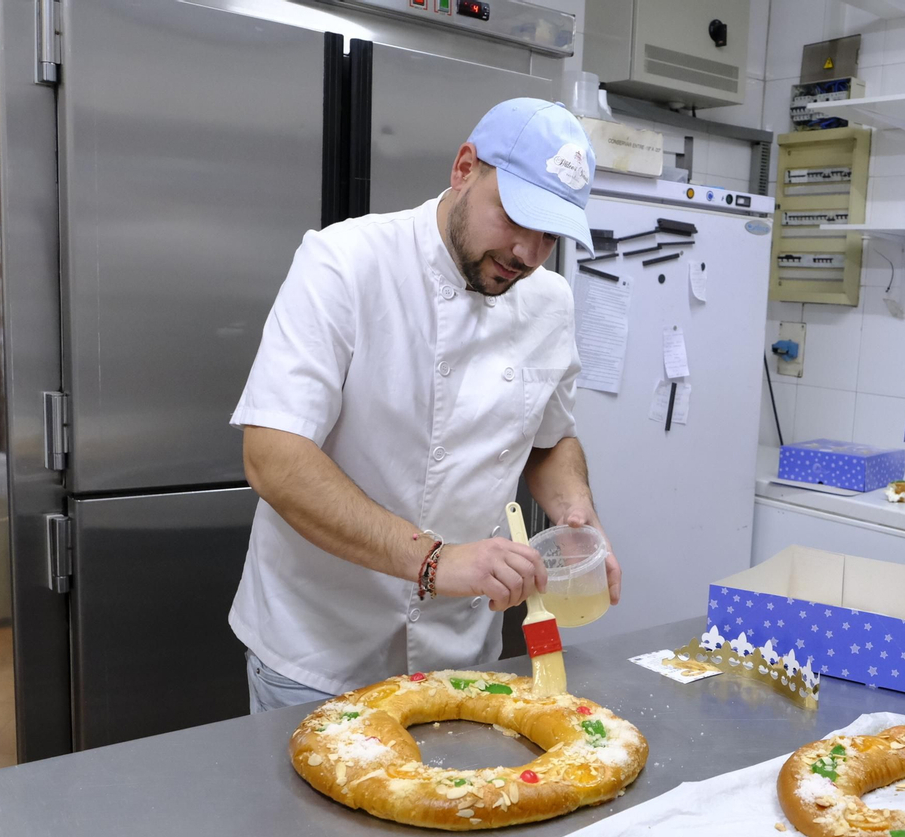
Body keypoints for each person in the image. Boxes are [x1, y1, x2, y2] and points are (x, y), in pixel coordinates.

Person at [229, 98, 620, 713]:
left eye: (550, 234)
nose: (527, 252)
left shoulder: (551, 302)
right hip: (318, 654)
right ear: (465, 168)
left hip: (461, 657)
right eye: (515, 217)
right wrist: (435, 562)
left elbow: (551, 439)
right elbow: (273, 456)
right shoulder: (345, 262)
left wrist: (578, 518)